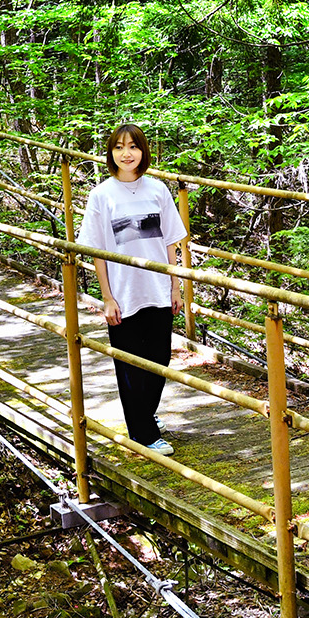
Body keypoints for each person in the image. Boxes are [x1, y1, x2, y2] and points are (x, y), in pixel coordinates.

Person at [76, 124, 188, 456]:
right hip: (123, 293)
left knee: (159, 361)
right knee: (129, 364)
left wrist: (176, 287)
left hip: (157, 288)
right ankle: (143, 434)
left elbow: (171, 242)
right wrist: (107, 296)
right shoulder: (102, 195)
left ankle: (144, 414)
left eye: (133, 147)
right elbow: (96, 249)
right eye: (119, 147)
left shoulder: (158, 190)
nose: (127, 153)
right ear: (111, 154)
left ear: (143, 151)